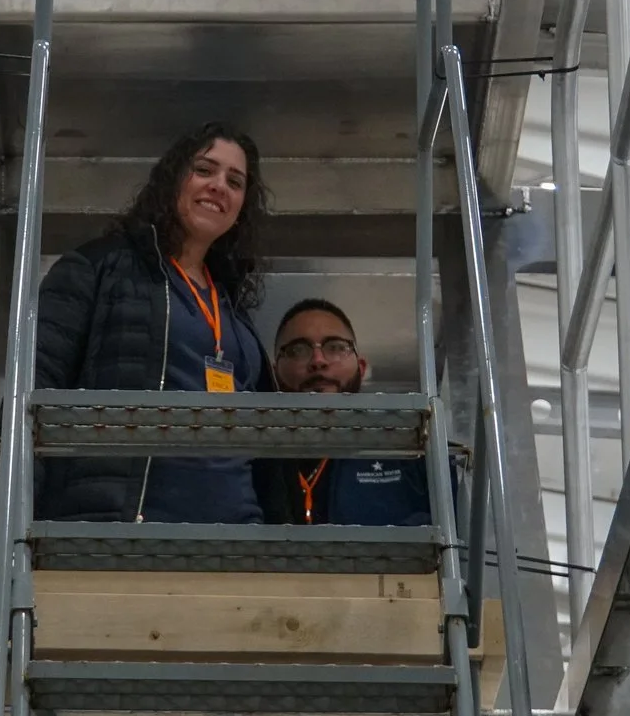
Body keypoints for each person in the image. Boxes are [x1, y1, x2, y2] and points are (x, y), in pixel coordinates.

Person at [33, 122, 273, 523]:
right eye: (204, 170)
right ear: (172, 179)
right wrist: (2, 507)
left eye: (235, 181)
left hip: (237, 532)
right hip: (127, 530)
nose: (219, 186)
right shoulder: (98, 267)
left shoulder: (231, 305)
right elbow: (34, 391)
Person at [255, 297, 431, 527]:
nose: (318, 361)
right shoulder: (249, 459)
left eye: (336, 347)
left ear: (361, 367)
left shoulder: (413, 451)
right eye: (298, 350)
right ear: (274, 373)